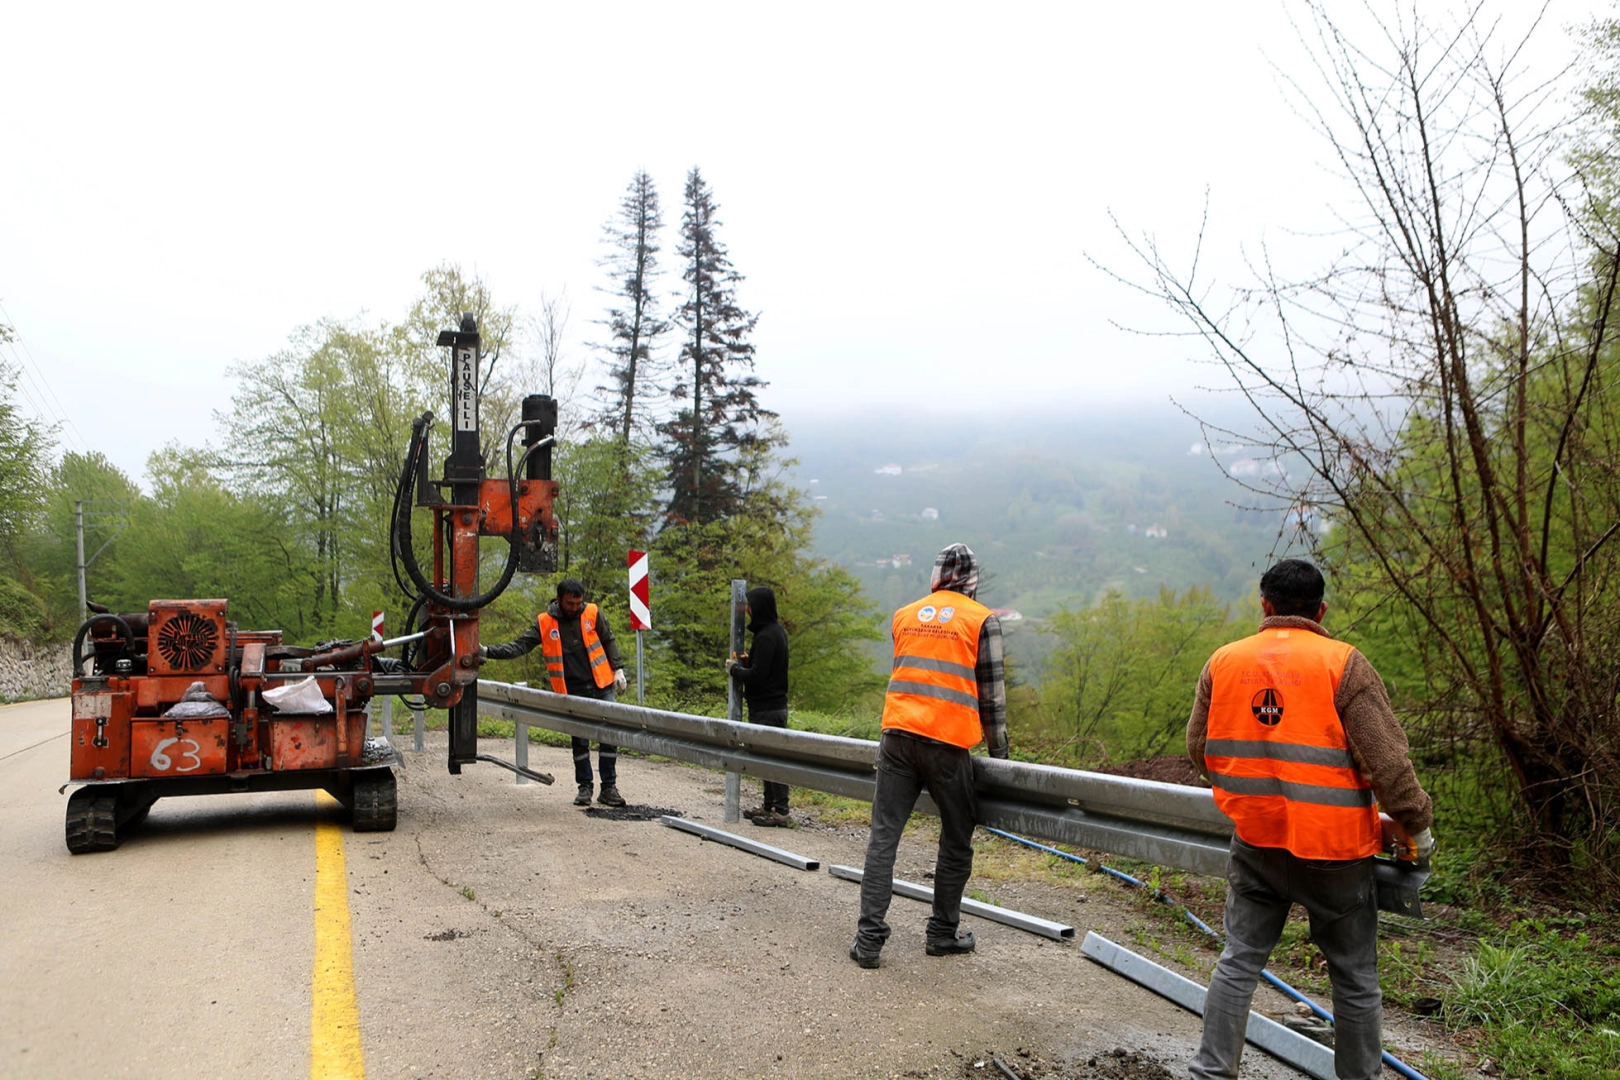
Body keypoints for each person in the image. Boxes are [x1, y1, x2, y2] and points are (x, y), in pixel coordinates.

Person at [1185, 559, 1434, 1080]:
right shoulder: (1343, 664)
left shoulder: (1224, 662)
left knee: (1239, 960)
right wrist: (1415, 823)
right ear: (1320, 611)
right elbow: (1387, 762)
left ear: (1265, 605)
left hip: (1256, 839)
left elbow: (1199, 747)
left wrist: (1253, 791)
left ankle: (1211, 1072)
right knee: (1354, 978)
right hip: (1335, 851)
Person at [849, 542, 1008, 969]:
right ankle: (941, 933)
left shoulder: (904, 615)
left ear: (936, 576)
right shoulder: (982, 620)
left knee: (884, 837)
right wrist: (1000, 757)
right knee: (956, 838)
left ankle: (868, 942)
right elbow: (992, 699)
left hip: (897, 737)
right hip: (948, 746)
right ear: (972, 580)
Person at [480, 578, 630, 808]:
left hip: (601, 685)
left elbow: (608, 640)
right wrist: (488, 651)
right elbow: (520, 646)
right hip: (572, 690)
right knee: (580, 740)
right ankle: (585, 787)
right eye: (570, 603)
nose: (575, 607)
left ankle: (608, 788)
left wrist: (618, 669)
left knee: (609, 737)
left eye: (578, 603)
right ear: (559, 600)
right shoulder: (545, 622)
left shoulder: (592, 613)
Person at [726, 586, 791, 827]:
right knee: (767, 759)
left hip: (767, 709)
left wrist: (735, 670)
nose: (747, 610)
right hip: (773, 706)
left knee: (772, 759)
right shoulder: (776, 632)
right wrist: (747, 662)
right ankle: (769, 805)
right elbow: (765, 668)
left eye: (750, 605)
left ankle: (780, 810)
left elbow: (758, 676)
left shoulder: (765, 637)